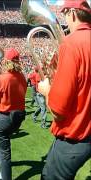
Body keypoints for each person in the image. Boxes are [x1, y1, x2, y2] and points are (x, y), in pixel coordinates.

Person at [38, 1, 91, 179]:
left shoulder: (70, 44)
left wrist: (46, 91)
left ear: (72, 13)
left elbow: (58, 111)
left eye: (65, 14)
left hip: (75, 137)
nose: (65, 19)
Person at [0, 48, 27, 180]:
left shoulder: (1, 78)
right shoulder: (22, 77)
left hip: (4, 117)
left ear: (6, 61)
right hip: (19, 117)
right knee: (4, 139)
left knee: (5, 151)